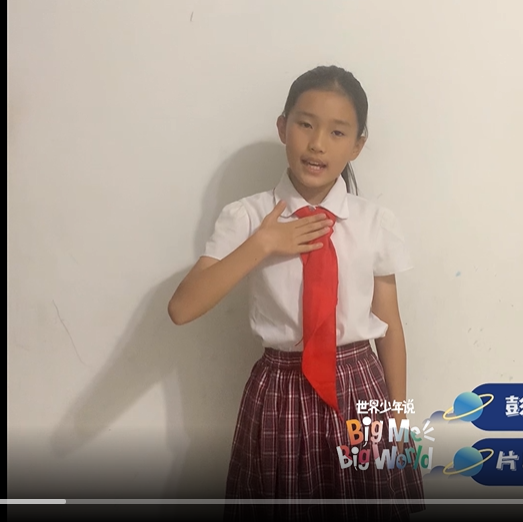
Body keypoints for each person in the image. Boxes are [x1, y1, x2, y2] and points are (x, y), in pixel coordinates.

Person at [168, 65, 425, 521]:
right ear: (283, 127)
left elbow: (391, 327)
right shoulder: (248, 217)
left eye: (337, 131)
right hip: (281, 391)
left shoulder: (373, 222)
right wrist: (263, 244)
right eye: (305, 124)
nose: (317, 143)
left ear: (357, 145)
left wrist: (399, 419)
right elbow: (182, 308)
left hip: (359, 386)